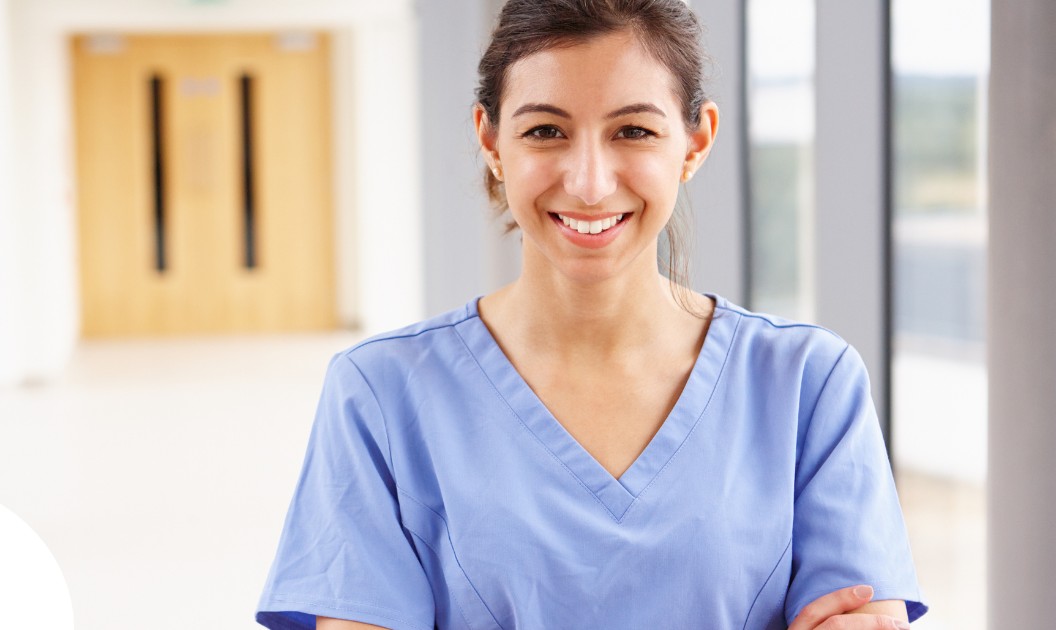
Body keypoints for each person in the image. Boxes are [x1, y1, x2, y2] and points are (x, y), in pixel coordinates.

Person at [256, 0, 928, 628]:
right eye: (545, 130)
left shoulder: (808, 383)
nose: (589, 181)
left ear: (695, 143)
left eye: (633, 130)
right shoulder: (381, 395)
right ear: (490, 140)